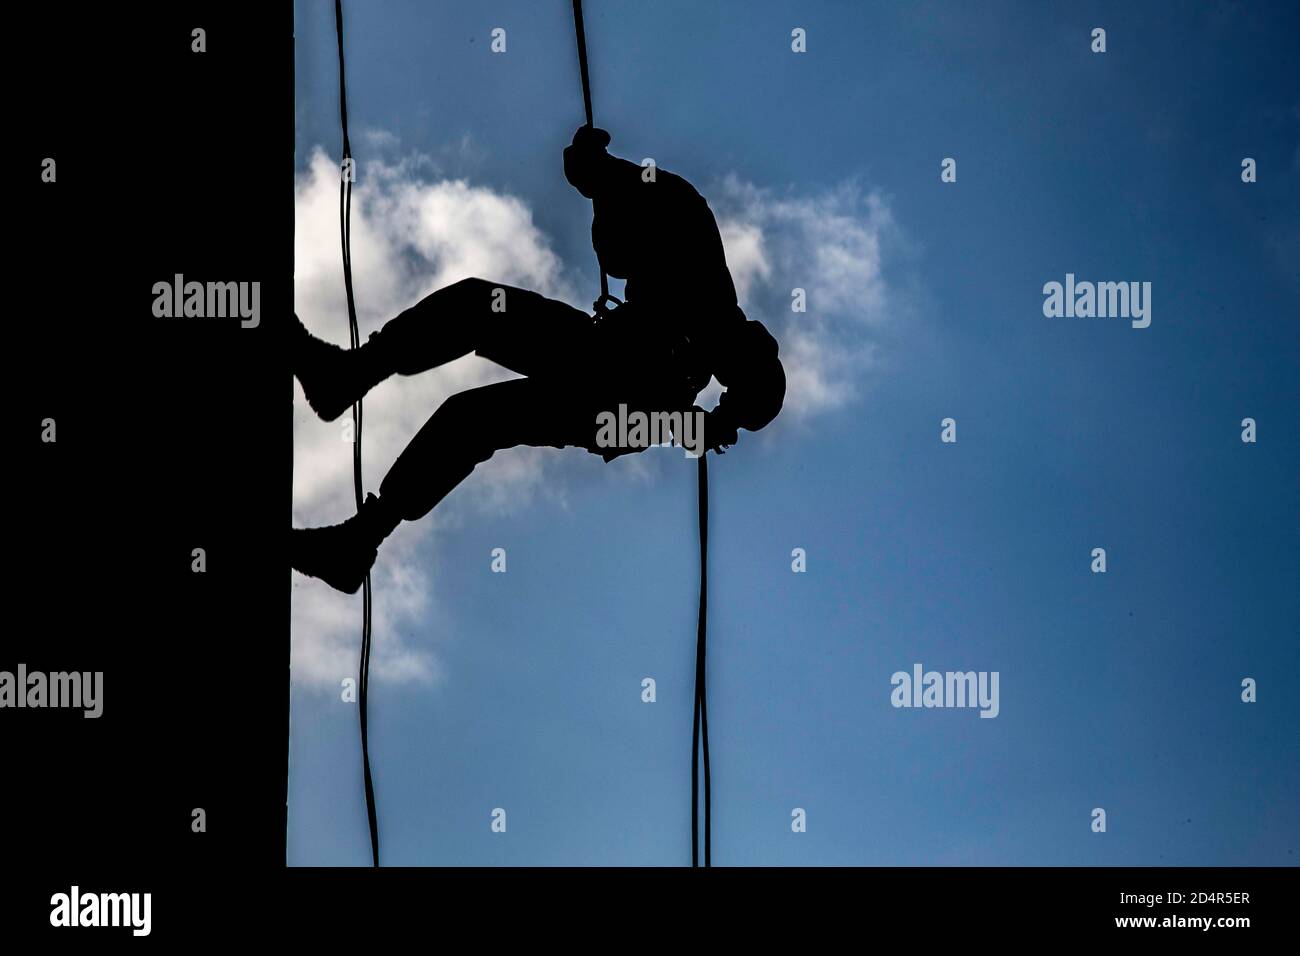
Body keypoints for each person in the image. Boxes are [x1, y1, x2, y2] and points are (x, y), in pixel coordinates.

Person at [291, 126, 785, 593]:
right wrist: (601, 179)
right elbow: (616, 254)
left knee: (475, 369)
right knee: (475, 368)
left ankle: (357, 502)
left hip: (607, 382)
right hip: (604, 372)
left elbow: (618, 261)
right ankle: (358, 511)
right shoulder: (691, 250)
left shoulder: (691, 355)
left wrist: (699, 423)